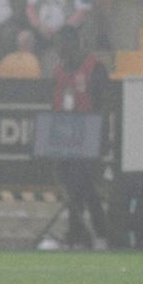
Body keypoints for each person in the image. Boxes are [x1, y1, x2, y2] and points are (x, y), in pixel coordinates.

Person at [49, 26, 112, 249]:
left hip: (88, 134)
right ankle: (91, 234)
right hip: (64, 134)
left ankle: (81, 234)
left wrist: (101, 138)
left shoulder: (95, 67)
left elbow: (104, 105)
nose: (59, 49)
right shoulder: (59, 69)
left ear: (74, 42)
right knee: (78, 189)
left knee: (81, 186)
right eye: (56, 45)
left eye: (62, 44)